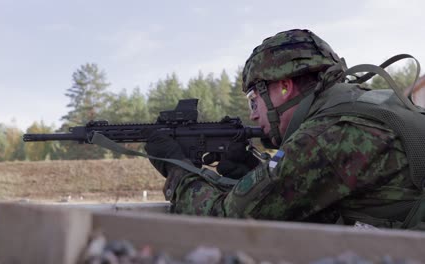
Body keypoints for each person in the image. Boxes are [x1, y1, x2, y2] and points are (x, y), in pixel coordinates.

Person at [144, 29, 425, 230]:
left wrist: (178, 172)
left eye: (254, 100)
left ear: (283, 87)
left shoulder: (323, 137)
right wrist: (254, 172)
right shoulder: (366, 104)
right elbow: (316, 194)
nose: (254, 117)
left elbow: (227, 220)